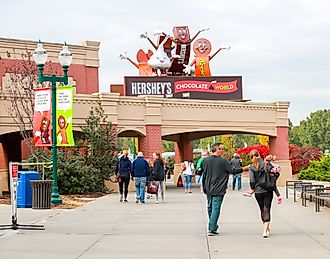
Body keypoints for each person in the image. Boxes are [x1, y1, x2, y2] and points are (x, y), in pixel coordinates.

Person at [201, 143, 249, 236]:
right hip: (219, 188)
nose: (223, 150)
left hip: (208, 188)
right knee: (215, 208)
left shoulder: (205, 161)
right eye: (221, 149)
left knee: (210, 207)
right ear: (216, 149)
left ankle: (212, 225)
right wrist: (245, 168)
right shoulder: (223, 161)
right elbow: (233, 171)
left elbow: (200, 171)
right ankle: (212, 228)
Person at [248, 150, 281, 238]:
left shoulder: (251, 166)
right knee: (267, 208)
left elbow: (252, 180)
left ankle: (266, 227)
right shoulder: (266, 164)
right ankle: (265, 230)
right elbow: (275, 173)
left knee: (262, 209)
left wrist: (252, 188)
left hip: (258, 191)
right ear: (259, 154)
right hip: (267, 190)